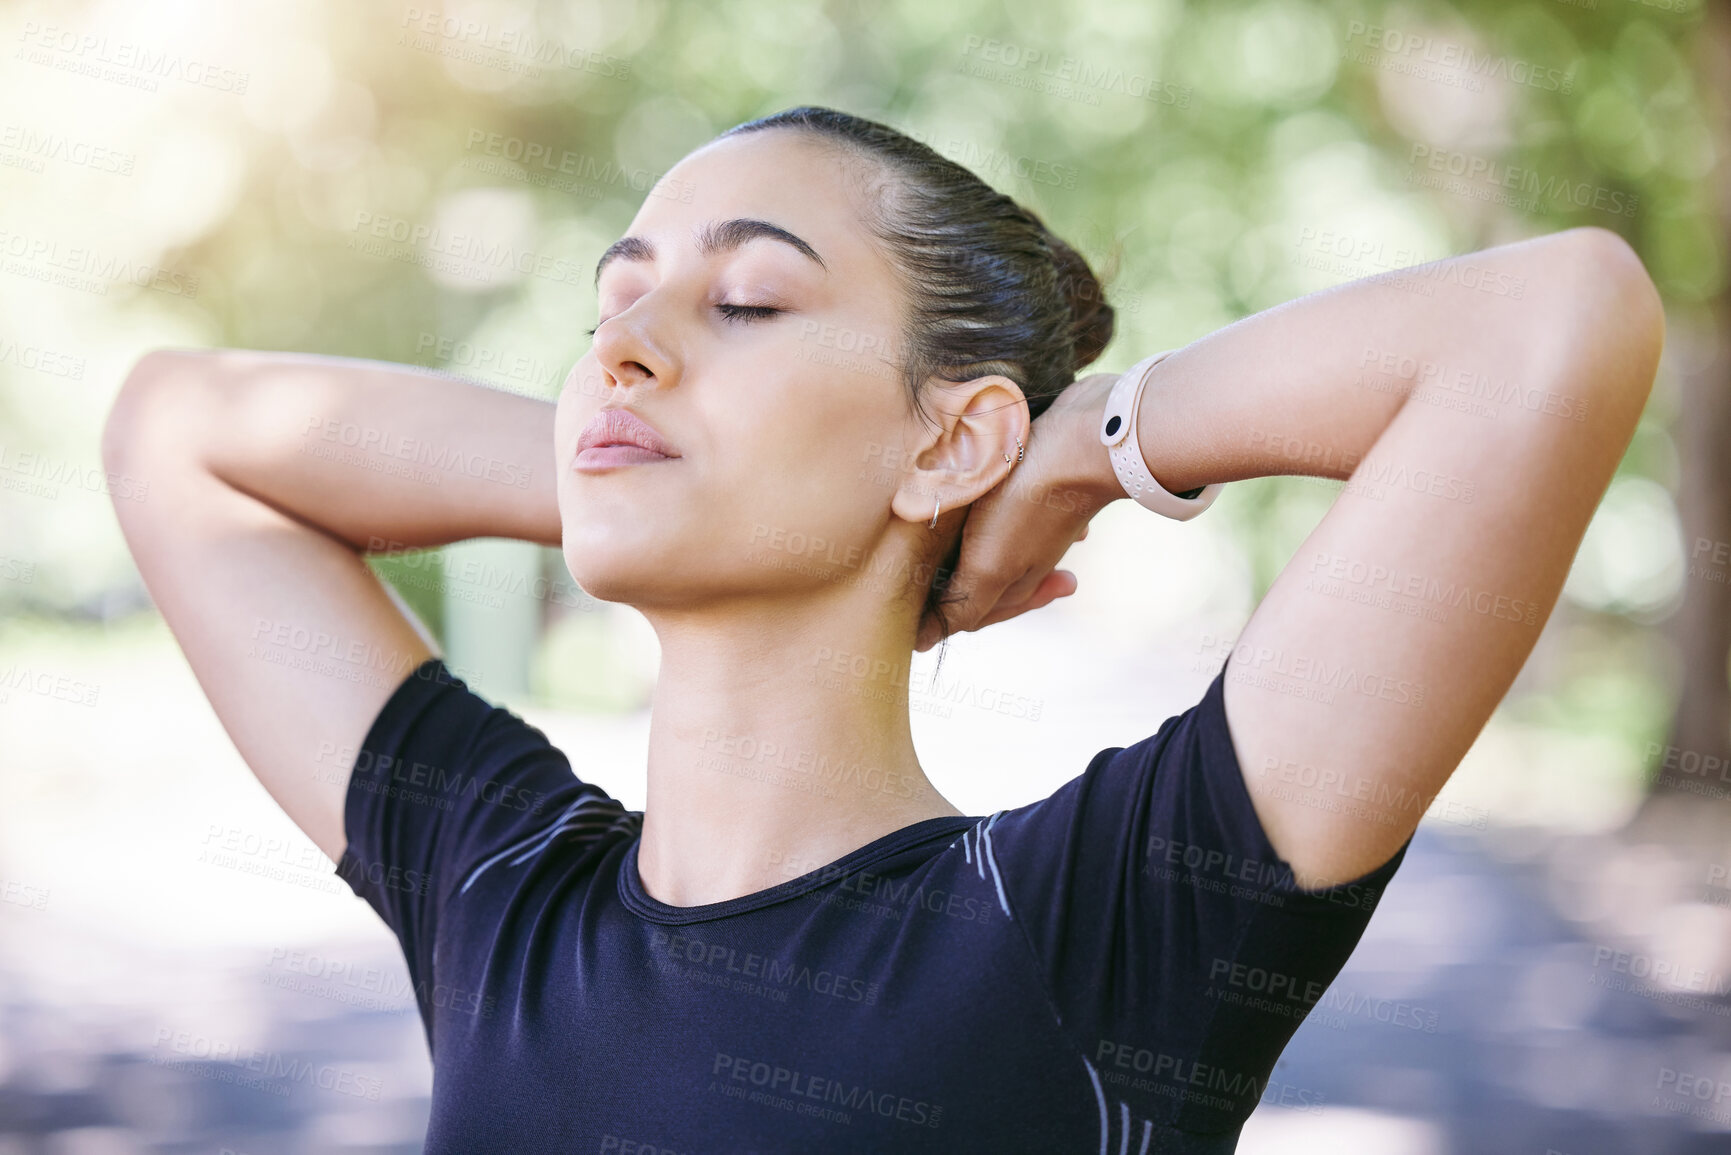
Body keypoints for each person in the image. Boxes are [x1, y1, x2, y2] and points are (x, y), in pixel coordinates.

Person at [100, 106, 1663, 1153]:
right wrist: (647, 476)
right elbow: (180, 431)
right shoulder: (498, 890)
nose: (624, 350)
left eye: (748, 306)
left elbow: (1550, 325)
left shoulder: (1102, 929)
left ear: (950, 438)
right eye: (611, 311)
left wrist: (1089, 443)